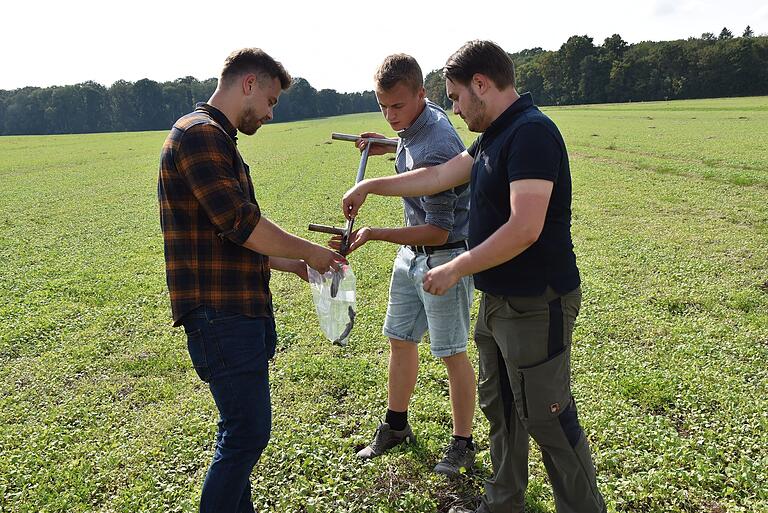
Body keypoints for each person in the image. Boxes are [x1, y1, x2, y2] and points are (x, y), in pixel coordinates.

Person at [342, 41, 606, 513]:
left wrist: (455, 266)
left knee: (549, 419)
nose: (456, 108)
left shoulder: (531, 133)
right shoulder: (493, 136)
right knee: (502, 411)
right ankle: (502, 503)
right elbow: (438, 176)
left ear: (481, 84)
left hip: (536, 301)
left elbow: (525, 228)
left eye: (458, 97)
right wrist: (371, 185)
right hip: (498, 300)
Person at [158, 48, 346, 513]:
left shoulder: (218, 139)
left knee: (242, 434)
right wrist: (311, 251)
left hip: (237, 307)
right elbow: (242, 223)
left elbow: (233, 241)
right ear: (248, 84)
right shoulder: (200, 136)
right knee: (245, 435)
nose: (270, 112)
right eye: (271, 99)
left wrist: (297, 266)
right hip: (220, 313)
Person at [332, 54, 476, 476]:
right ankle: (396, 426)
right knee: (399, 338)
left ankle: (463, 443)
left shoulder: (437, 145)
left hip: (443, 257)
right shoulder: (419, 121)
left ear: (421, 94)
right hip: (411, 258)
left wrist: (376, 233)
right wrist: (388, 143)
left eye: (397, 106)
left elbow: (437, 231)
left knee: (452, 353)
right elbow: (412, 143)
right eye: (382, 106)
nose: (390, 114)